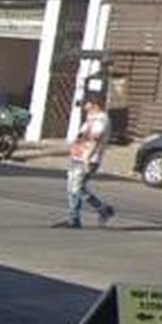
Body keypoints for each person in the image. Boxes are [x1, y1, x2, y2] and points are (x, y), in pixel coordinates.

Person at [54, 97, 118, 228]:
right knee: (78, 188)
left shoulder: (101, 120)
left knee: (75, 188)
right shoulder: (91, 118)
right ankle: (103, 210)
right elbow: (81, 136)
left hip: (87, 159)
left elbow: (95, 140)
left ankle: (74, 220)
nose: (84, 107)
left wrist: (87, 158)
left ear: (95, 105)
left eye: (87, 104)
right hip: (78, 157)